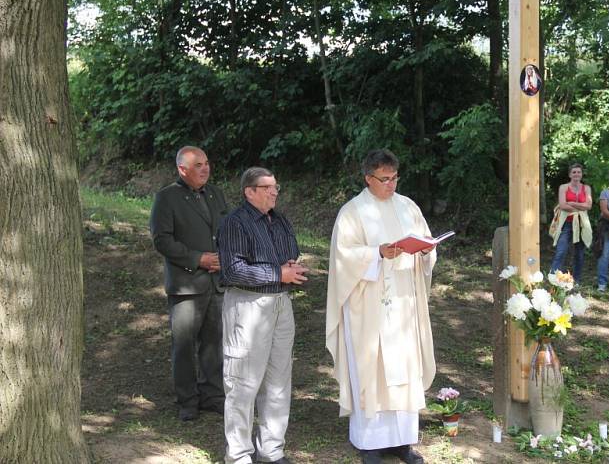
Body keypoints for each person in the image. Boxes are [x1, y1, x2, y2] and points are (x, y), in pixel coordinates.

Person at [325, 149, 435, 464]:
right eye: (384, 179)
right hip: (368, 307)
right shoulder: (352, 212)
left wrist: (426, 251)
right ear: (368, 178)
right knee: (372, 368)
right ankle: (370, 442)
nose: (390, 185)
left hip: (403, 304)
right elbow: (343, 256)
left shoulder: (408, 206)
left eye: (394, 178)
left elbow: (426, 241)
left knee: (403, 368)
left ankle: (402, 441)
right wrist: (376, 254)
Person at [217, 167, 309, 464]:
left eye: (275, 186)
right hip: (248, 306)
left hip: (280, 303)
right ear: (249, 191)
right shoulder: (234, 222)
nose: (274, 192)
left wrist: (290, 265)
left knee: (278, 379)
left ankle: (271, 449)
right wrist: (278, 272)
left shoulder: (279, 219)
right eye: (267, 187)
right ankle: (239, 454)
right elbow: (233, 270)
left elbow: (290, 249)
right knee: (242, 382)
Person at [150, 146, 228, 421]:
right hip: (186, 284)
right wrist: (198, 259)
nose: (205, 168)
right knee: (183, 345)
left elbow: (226, 230)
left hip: (217, 283)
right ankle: (187, 400)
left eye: (207, 163)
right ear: (183, 169)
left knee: (214, 343)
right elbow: (162, 240)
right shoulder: (167, 197)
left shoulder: (215, 194)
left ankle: (213, 396)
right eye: (198, 165)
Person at [549, 163, 592, 284]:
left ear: (581, 174)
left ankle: (576, 280)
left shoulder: (586, 188)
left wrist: (572, 203)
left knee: (579, 254)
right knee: (561, 251)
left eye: (579, 172)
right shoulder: (563, 187)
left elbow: (588, 205)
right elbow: (562, 205)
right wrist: (580, 207)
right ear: (569, 174)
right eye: (574, 172)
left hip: (581, 224)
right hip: (566, 223)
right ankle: (553, 278)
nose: (576, 174)